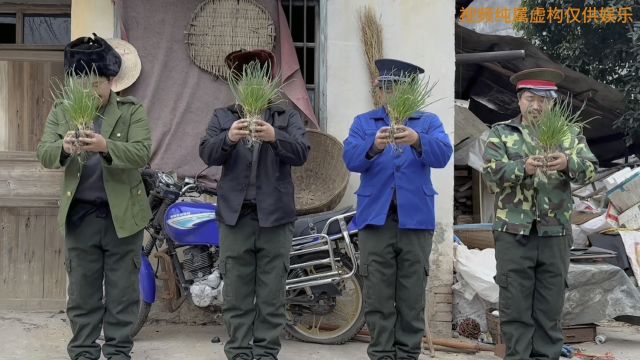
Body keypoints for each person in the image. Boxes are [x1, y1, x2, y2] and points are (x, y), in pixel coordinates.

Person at [36, 33, 152, 360]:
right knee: (83, 295)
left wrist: (106, 147)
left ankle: (118, 352)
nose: (87, 89)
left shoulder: (131, 112)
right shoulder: (62, 112)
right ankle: (83, 353)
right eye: (80, 81)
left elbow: (143, 153)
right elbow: (43, 153)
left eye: (95, 82)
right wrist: (63, 147)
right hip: (80, 217)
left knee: (123, 294)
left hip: (123, 219)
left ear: (111, 81)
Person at [199, 49, 310, 360]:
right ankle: (238, 353)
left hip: (275, 219)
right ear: (237, 82)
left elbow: (302, 152)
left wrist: (276, 137)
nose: (251, 82)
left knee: (272, 293)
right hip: (235, 218)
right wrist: (228, 138)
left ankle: (265, 353)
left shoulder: (285, 115)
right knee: (236, 292)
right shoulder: (224, 116)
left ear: (269, 81)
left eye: (258, 75)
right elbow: (207, 153)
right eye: (244, 76)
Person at [482, 68, 598, 359]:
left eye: (543, 99)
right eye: (530, 98)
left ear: (553, 102)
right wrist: (525, 167)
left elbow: (590, 170)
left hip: (555, 233)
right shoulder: (502, 133)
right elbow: (491, 176)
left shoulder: (569, 134)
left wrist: (567, 163)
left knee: (549, 309)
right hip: (513, 234)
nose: (536, 105)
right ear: (519, 100)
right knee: (515, 308)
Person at [343, 58, 453, 360]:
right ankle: (381, 354)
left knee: (411, 296)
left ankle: (407, 355)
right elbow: (350, 159)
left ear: (412, 90)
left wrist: (418, 139)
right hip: (375, 219)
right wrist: (374, 147)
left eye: (399, 87)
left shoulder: (427, 122)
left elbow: (443, 154)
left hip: (415, 220)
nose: (393, 93)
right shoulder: (364, 122)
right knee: (378, 295)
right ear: (380, 89)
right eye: (387, 87)